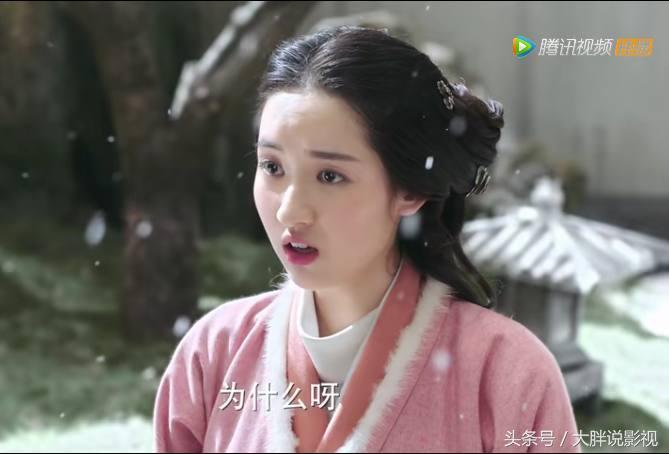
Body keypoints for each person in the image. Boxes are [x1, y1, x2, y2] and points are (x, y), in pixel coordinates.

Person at [153, 26, 581, 453]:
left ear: (409, 190)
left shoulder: (505, 371)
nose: (289, 211)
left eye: (330, 176)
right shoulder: (215, 351)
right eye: (272, 167)